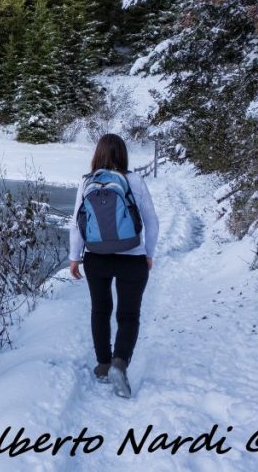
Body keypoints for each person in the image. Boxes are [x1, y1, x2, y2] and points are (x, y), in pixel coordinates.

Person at [68, 133, 159, 399]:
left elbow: (77, 224)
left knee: (100, 310)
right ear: (123, 154)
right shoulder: (134, 180)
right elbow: (151, 221)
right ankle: (120, 363)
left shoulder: (87, 181)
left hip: (96, 257)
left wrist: (74, 257)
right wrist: (148, 253)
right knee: (128, 314)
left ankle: (103, 365)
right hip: (132, 256)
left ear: (97, 154)